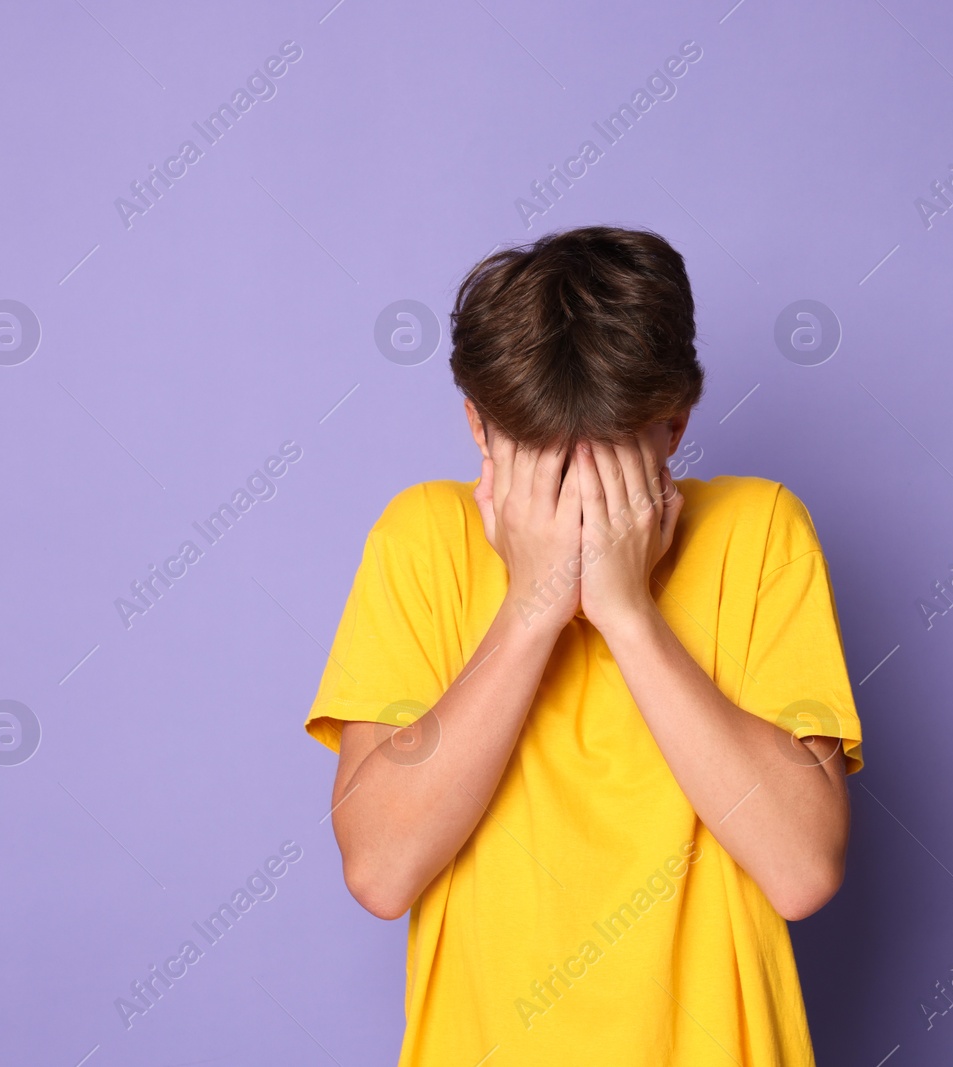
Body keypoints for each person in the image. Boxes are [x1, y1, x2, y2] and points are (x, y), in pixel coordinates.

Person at [305, 225, 863, 1066]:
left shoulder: (759, 532)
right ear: (479, 430)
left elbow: (801, 870)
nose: (571, 495)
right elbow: (381, 871)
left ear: (672, 428)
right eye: (538, 458)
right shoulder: (421, 538)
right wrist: (532, 608)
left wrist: (628, 611)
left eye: (603, 462)